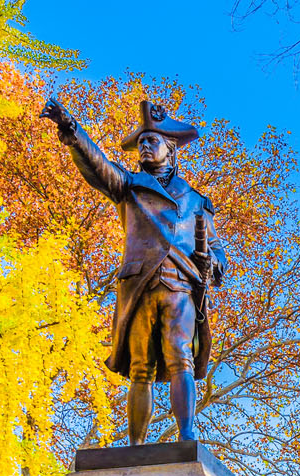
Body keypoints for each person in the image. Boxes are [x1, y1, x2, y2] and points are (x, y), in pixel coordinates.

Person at [40, 97, 227, 445]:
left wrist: (213, 262)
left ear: (170, 148)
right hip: (140, 286)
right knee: (141, 367)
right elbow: (98, 166)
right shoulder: (128, 185)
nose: (144, 146)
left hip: (180, 286)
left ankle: (186, 437)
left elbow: (218, 250)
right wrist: (71, 129)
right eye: (141, 142)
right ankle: (136, 446)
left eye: (152, 140)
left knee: (180, 357)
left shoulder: (196, 201)